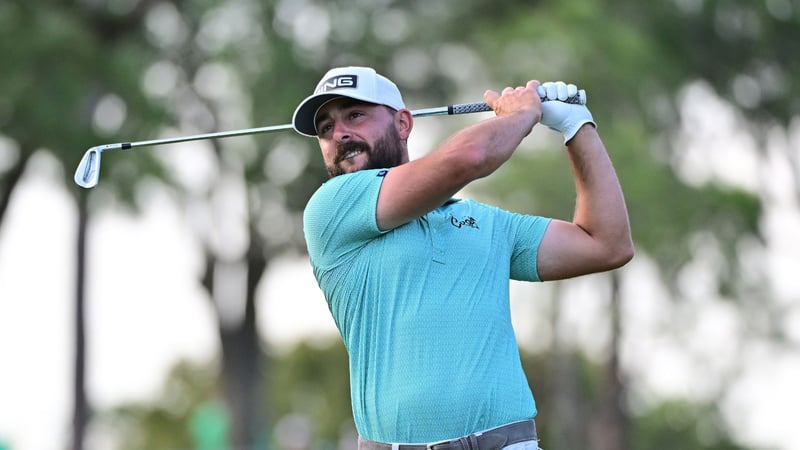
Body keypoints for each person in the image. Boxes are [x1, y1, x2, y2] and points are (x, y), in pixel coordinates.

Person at [292, 66, 634, 450]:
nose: (339, 133)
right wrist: (523, 114)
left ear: (403, 123)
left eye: (355, 115)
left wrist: (577, 127)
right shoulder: (331, 208)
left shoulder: (488, 224)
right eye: (325, 128)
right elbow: (469, 156)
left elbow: (607, 243)